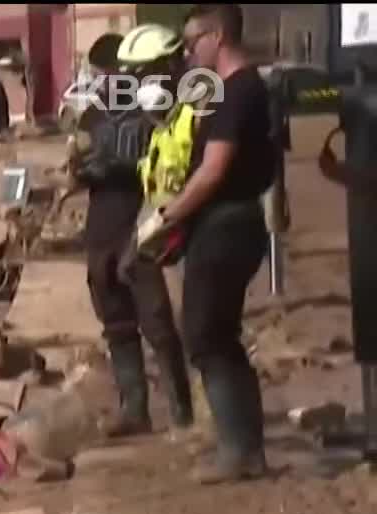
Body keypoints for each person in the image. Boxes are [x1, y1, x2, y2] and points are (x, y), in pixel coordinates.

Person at [156, 3, 280, 483]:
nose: (188, 54)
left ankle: (240, 451)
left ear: (220, 35)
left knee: (205, 333)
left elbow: (212, 172)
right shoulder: (236, 92)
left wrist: (168, 216)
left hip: (227, 223)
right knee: (216, 333)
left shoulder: (238, 93)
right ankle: (243, 446)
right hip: (230, 222)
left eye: (193, 42)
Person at [77, 27, 194, 436]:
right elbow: (81, 153)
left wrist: (119, 169)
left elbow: (162, 165)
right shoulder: (93, 112)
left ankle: (183, 412)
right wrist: (84, 170)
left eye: (108, 74)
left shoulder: (154, 108)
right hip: (100, 226)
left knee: (157, 321)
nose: (103, 82)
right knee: (115, 320)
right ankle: (135, 409)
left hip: (139, 222)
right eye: (99, 76)